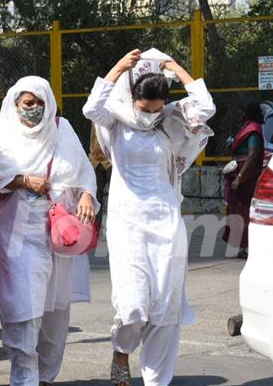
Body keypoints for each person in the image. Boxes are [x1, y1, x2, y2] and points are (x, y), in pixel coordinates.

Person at [82, 49, 215, 386]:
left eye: (157, 108)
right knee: (133, 305)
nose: (150, 115)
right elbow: (91, 108)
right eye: (145, 108)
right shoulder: (116, 117)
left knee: (166, 307)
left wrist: (176, 68)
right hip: (128, 222)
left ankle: (157, 380)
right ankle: (121, 351)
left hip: (166, 221)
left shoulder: (171, 119)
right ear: (133, 98)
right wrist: (117, 67)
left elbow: (205, 108)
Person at [0, 76, 98, 386]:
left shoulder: (63, 131)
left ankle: (46, 376)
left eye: (40, 103)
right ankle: (24, 376)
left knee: (55, 310)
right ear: (15, 105)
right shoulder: (2, 137)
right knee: (23, 305)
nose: (34, 109)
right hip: (18, 233)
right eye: (28, 104)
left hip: (61, 233)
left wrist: (88, 195)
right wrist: (22, 180)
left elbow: (84, 172)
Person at [222, 102, 264, 258]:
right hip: (238, 171)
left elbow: (253, 154)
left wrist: (240, 177)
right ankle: (242, 245)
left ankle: (248, 246)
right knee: (237, 210)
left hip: (246, 176)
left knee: (244, 211)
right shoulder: (247, 127)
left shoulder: (253, 129)